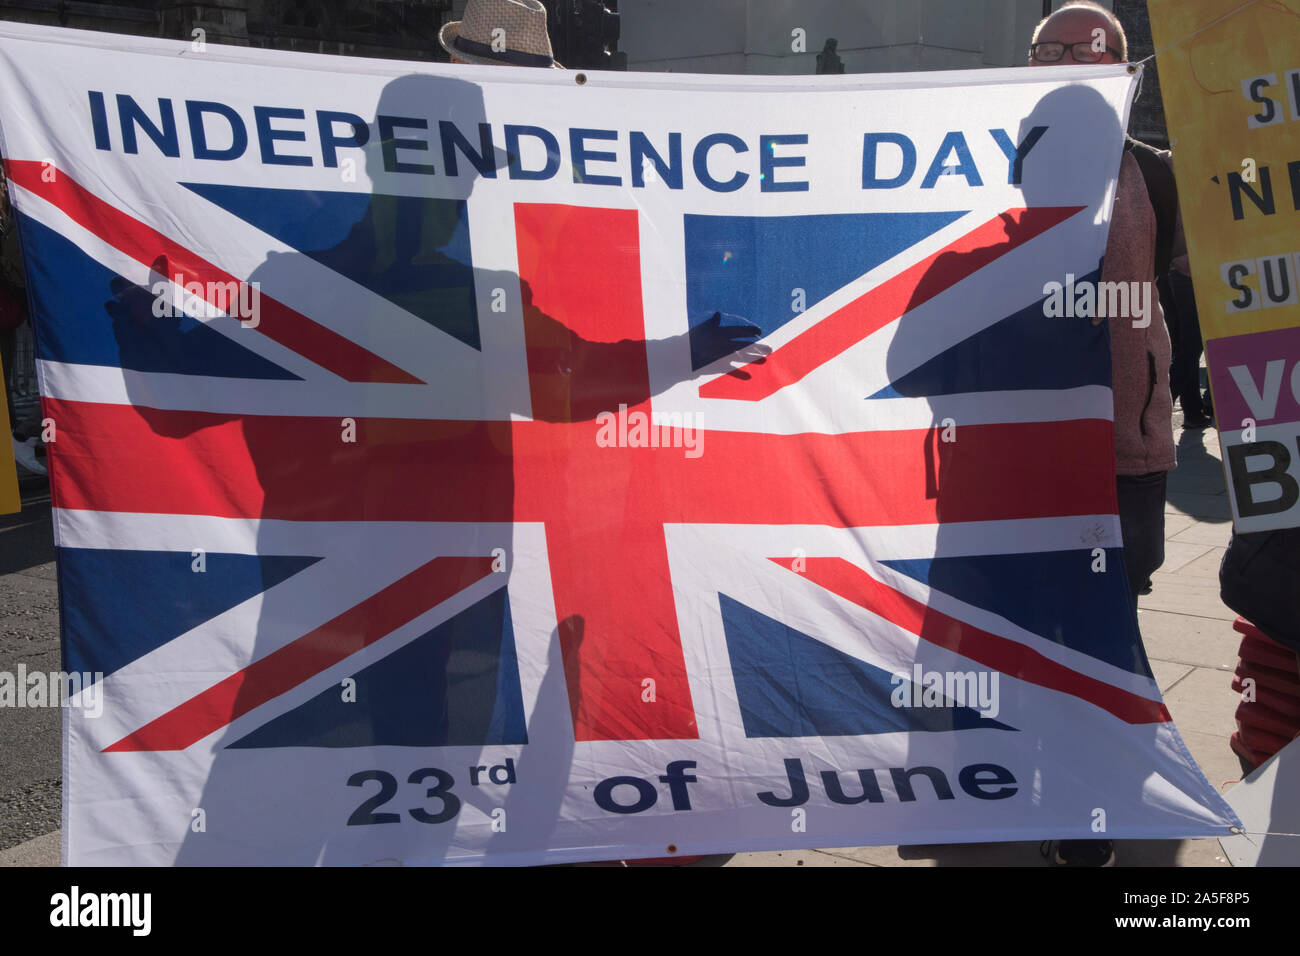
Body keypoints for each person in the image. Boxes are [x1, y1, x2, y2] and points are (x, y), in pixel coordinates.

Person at [1028, 0, 1177, 867]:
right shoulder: (991, 161)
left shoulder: (1154, 173)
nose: (1061, 65)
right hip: (1023, 440)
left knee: (1106, 616)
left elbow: (1193, 286)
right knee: (1052, 620)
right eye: (1048, 52)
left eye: (1079, 52)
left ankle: (1101, 794)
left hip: (1127, 445)